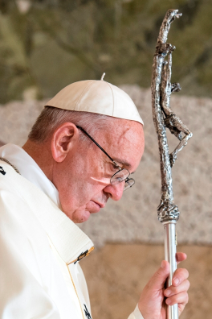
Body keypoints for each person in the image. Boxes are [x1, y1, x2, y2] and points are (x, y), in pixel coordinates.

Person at [0, 78, 189, 319]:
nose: (117, 193)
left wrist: (146, 317)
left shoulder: (40, 217)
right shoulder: (5, 203)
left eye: (125, 178)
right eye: (115, 168)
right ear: (64, 141)